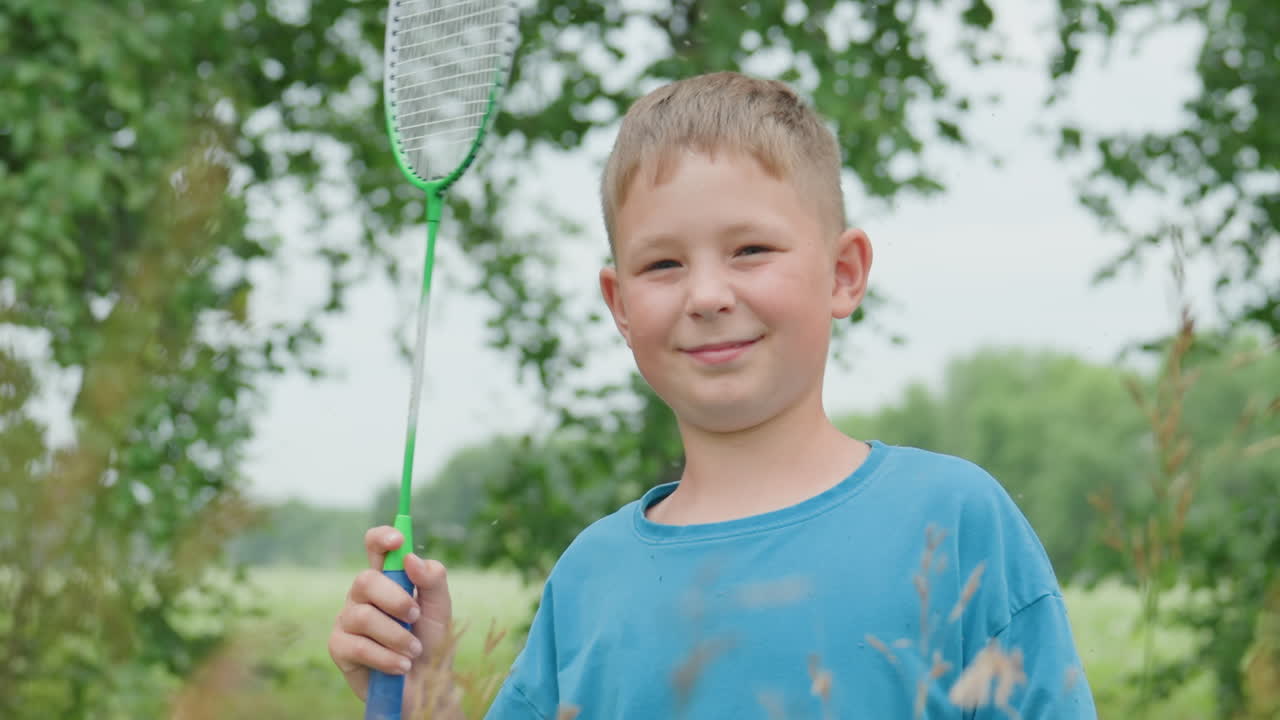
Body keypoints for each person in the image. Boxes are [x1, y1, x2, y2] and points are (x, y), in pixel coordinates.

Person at [328, 71, 1098, 719]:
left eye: (751, 250)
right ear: (620, 304)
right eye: (662, 265)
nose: (706, 294)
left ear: (843, 273)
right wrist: (424, 695)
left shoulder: (954, 523)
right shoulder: (590, 578)